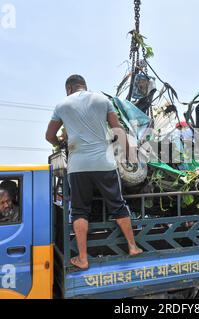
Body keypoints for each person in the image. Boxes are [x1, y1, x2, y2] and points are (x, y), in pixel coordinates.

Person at [45, 74, 142, 270]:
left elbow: (49, 136)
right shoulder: (101, 99)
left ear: (69, 89)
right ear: (84, 86)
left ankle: (83, 258)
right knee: (117, 204)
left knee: (80, 210)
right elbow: (117, 128)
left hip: (78, 165)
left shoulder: (62, 105)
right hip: (104, 162)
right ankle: (132, 247)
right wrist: (131, 157)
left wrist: (60, 143)